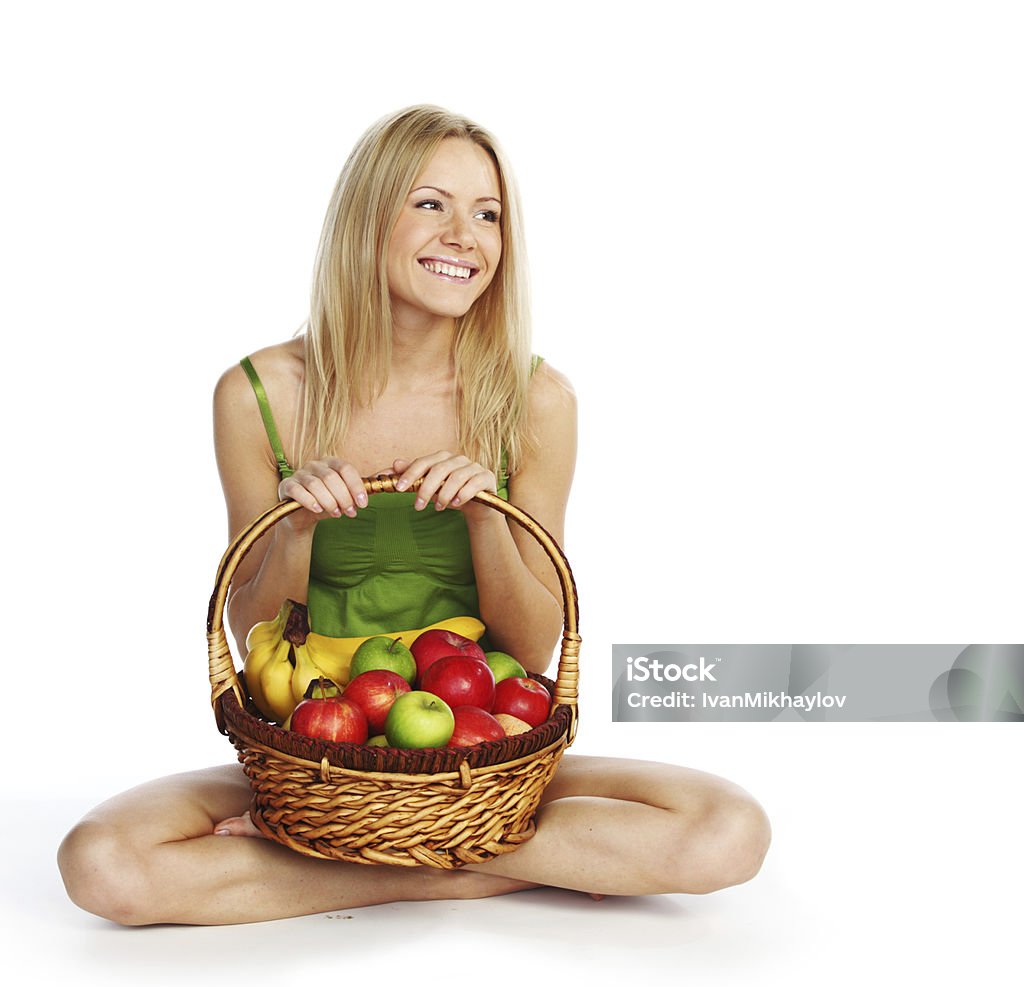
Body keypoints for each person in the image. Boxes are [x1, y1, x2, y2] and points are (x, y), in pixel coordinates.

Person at [57, 105, 771, 925]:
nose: (465, 234)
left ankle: (355, 862)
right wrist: (295, 527)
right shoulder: (262, 394)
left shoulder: (535, 401)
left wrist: (485, 519)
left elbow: (533, 646)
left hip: (480, 747)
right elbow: (254, 634)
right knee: (102, 864)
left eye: (489, 214)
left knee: (728, 833)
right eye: (431, 203)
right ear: (369, 218)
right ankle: (467, 863)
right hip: (316, 753)